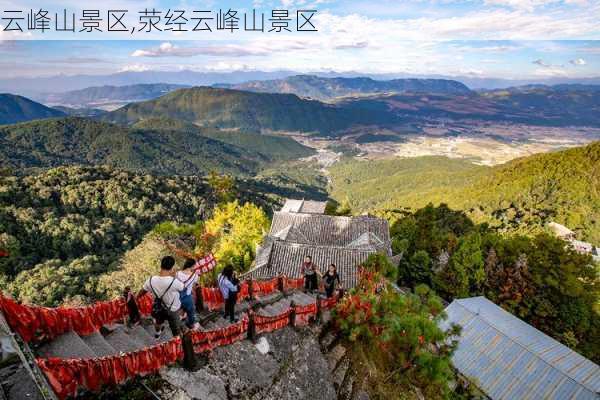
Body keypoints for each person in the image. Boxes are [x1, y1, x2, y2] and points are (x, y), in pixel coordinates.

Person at [139, 256, 185, 339]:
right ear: (172, 267)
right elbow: (183, 288)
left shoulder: (151, 280)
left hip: (158, 307)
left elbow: (141, 292)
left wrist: (136, 298)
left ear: (161, 266)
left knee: (158, 321)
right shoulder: (175, 282)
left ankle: (158, 333)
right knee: (176, 331)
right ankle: (177, 344)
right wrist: (174, 276)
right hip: (173, 309)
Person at [176, 258, 200, 330]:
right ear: (192, 266)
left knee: (179, 310)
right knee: (191, 313)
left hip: (178, 297)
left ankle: (178, 324)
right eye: (194, 265)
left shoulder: (177, 273)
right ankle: (191, 326)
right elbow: (194, 287)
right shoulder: (195, 276)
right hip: (187, 298)